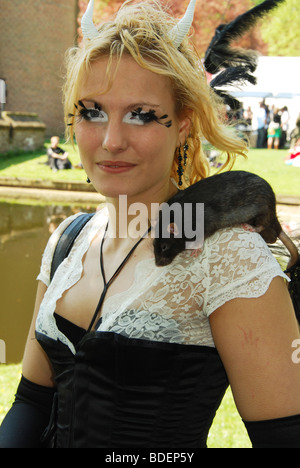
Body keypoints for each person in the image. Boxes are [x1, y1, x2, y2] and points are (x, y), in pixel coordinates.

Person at [1, 0, 300, 449]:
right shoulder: (69, 240)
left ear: (182, 124)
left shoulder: (227, 255)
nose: (111, 140)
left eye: (140, 114)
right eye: (91, 111)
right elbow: (31, 402)